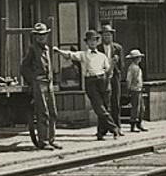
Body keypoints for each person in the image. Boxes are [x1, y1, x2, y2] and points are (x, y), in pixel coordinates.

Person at [54, 30, 120, 140]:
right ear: (87, 43)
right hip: (91, 82)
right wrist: (58, 50)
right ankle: (114, 128)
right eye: (90, 41)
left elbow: (108, 72)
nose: (93, 43)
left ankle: (101, 133)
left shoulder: (102, 56)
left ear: (97, 41)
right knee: (99, 107)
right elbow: (70, 55)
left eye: (94, 40)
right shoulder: (83, 55)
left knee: (105, 107)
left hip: (103, 81)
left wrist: (112, 64)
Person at [20, 22, 61, 150]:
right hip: (39, 84)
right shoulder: (33, 49)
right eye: (38, 35)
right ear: (35, 37)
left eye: (43, 35)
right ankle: (43, 141)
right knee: (43, 113)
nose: (41, 37)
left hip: (48, 83)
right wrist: (33, 80)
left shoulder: (47, 49)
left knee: (53, 112)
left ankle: (51, 139)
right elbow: (24, 67)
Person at [97, 23, 125, 133]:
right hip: (102, 77)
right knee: (103, 104)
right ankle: (102, 129)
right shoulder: (98, 48)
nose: (107, 37)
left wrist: (116, 66)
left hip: (114, 77)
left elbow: (122, 65)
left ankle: (117, 127)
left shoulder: (117, 48)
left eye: (109, 35)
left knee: (115, 103)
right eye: (105, 35)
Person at [125, 49, 147, 132]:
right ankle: (133, 124)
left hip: (139, 88)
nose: (139, 59)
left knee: (142, 108)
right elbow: (129, 79)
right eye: (138, 58)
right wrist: (129, 89)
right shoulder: (132, 68)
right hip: (135, 89)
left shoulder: (137, 67)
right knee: (136, 108)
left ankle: (139, 123)